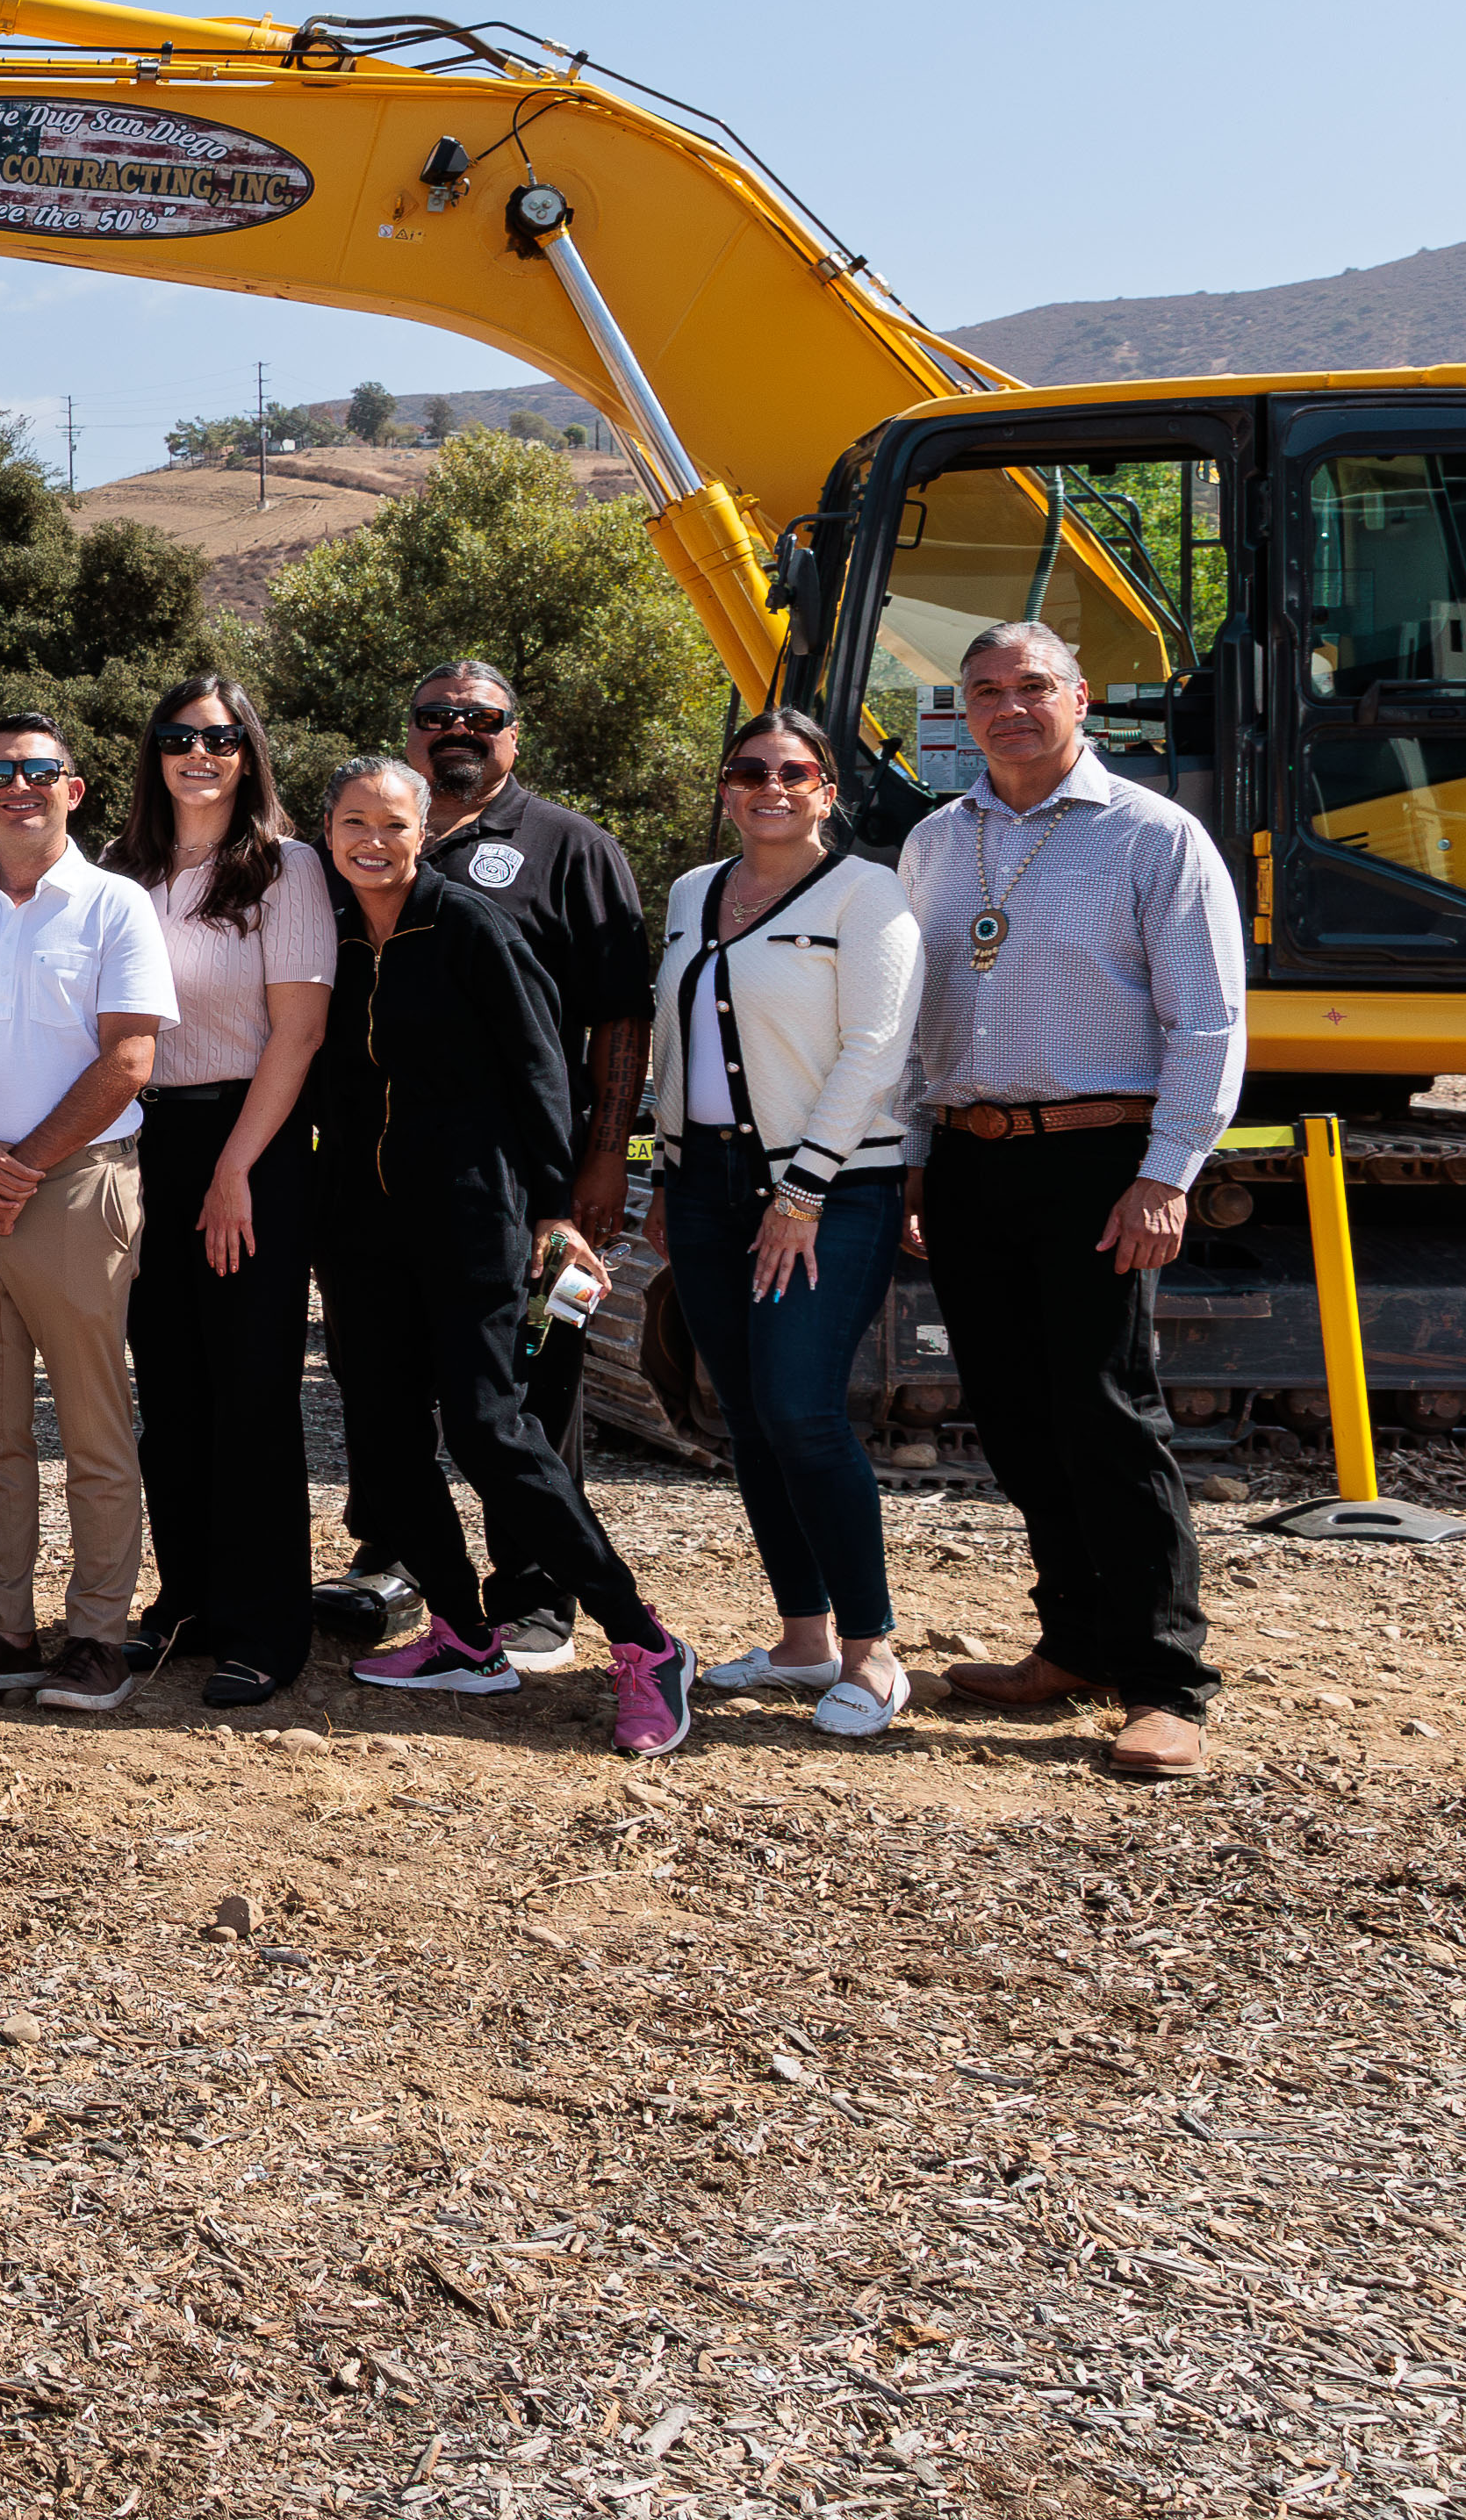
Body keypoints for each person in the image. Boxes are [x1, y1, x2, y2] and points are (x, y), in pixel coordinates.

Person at [901, 621, 1245, 1784]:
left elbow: (1207, 1025)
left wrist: (1168, 1174)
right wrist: (911, 1161)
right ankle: (1076, 1643)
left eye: (1032, 687)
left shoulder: (1155, 838)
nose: (1009, 707)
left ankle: (1165, 1684)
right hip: (967, 1160)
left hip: (1100, 1163)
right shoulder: (937, 844)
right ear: (963, 711)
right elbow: (914, 1024)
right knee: (1010, 1413)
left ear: (1082, 698)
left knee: (1104, 1413)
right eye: (986, 691)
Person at [315, 759, 698, 1754]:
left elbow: (542, 1073)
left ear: (420, 828)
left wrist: (555, 1208)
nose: (371, 840)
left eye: (391, 824)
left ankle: (646, 1643)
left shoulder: (473, 925)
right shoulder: (331, 933)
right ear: (326, 830)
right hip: (361, 1223)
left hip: (475, 1216)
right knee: (385, 1436)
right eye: (352, 821)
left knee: (489, 1428)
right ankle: (461, 1633)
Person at [654, 708, 924, 1740]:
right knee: (751, 1413)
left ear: (827, 786)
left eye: (793, 769)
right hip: (707, 1189)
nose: (770, 784)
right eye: (747, 768)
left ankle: (873, 1653)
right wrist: (671, 1181)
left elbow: (875, 1049)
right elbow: (681, 1047)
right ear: (724, 786)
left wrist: (801, 1191)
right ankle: (804, 1640)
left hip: (831, 1188)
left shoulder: (868, 893)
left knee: (804, 1409)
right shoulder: (690, 892)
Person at [0, 715, 172, 1714]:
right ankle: (5, 1627)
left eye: (40, 770)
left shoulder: (116, 907)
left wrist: (20, 1165)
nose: (20, 785)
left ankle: (98, 1636)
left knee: (95, 1427)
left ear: (76, 788)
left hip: (77, 1190)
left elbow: (129, 1060)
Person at [105, 672, 334, 1712]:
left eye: (222, 737)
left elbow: (300, 1033)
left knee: (249, 1391)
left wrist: (237, 1167)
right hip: (143, 1141)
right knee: (172, 1390)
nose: (200, 754)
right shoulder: (121, 868)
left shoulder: (286, 869)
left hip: (252, 1140)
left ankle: (266, 1626)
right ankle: (189, 1601)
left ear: (250, 753)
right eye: (179, 737)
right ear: (153, 753)